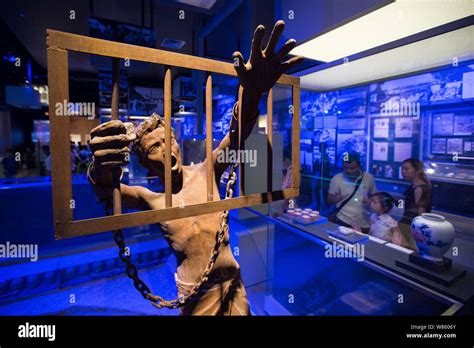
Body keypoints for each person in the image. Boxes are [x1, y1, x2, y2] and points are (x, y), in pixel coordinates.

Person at [87, 20, 303, 315]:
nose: (166, 151)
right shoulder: (150, 199)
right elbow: (105, 188)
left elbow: (238, 134)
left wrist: (252, 95)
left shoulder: (207, 170)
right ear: (143, 161)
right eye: (153, 148)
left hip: (233, 284)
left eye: (168, 140)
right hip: (195, 294)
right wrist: (101, 161)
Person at [328, 153, 377, 232]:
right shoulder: (336, 178)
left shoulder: (369, 178)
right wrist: (335, 199)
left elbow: (374, 197)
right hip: (342, 221)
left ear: (359, 166)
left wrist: (369, 201)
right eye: (345, 168)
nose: (349, 171)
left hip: (363, 224)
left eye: (352, 168)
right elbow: (329, 200)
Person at [399, 158, 432, 250]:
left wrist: (420, 234)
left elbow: (421, 212)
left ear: (417, 170)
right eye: (402, 169)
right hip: (407, 225)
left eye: (406, 169)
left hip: (411, 227)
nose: (403, 172)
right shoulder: (416, 185)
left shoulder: (419, 188)